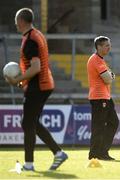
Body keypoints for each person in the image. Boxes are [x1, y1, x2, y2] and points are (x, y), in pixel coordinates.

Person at [5, 8, 68, 171]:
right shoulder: (35, 34)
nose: (15, 23)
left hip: (39, 86)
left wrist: (17, 79)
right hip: (43, 84)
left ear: (20, 21)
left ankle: (30, 164)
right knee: (31, 123)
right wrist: (22, 82)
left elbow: (36, 67)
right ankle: (58, 153)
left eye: (16, 19)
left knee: (27, 123)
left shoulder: (30, 40)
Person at [87, 36, 119, 160]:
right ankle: (95, 154)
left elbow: (110, 76)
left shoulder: (100, 59)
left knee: (113, 122)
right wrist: (110, 76)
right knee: (98, 126)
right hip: (99, 97)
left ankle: (102, 151)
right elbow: (108, 78)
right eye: (106, 45)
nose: (109, 47)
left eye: (109, 45)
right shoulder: (96, 60)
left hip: (105, 97)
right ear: (98, 47)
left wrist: (110, 76)